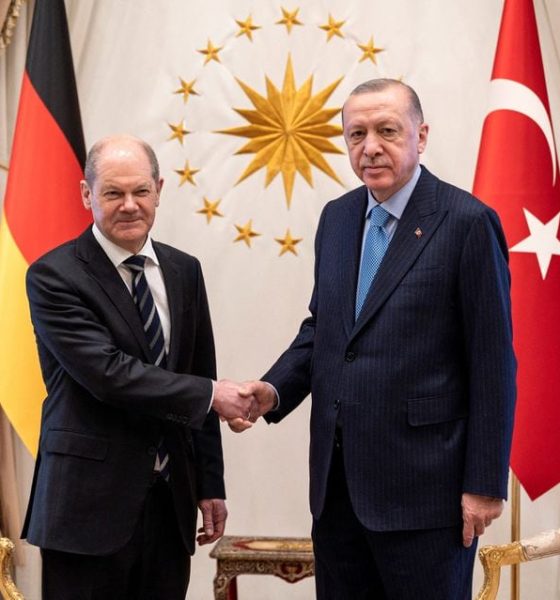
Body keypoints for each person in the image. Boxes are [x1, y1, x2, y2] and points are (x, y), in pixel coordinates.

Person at [233, 79, 517, 599]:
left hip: (428, 498)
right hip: (338, 493)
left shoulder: (467, 223)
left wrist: (484, 484)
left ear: (420, 135)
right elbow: (326, 330)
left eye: (387, 131)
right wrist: (274, 391)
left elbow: (494, 363)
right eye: (356, 134)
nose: (370, 147)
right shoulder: (337, 219)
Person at [22, 135, 255, 600]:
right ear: (87, 195)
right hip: (85, 511)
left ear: (159, 190)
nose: (129, 206)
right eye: (112, 193)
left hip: (169, 507)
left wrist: (210, 484)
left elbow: (198, 367)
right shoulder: (53, 275)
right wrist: (213, 394)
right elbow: (109, 375)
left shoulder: (184, 270)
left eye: (140, 192)